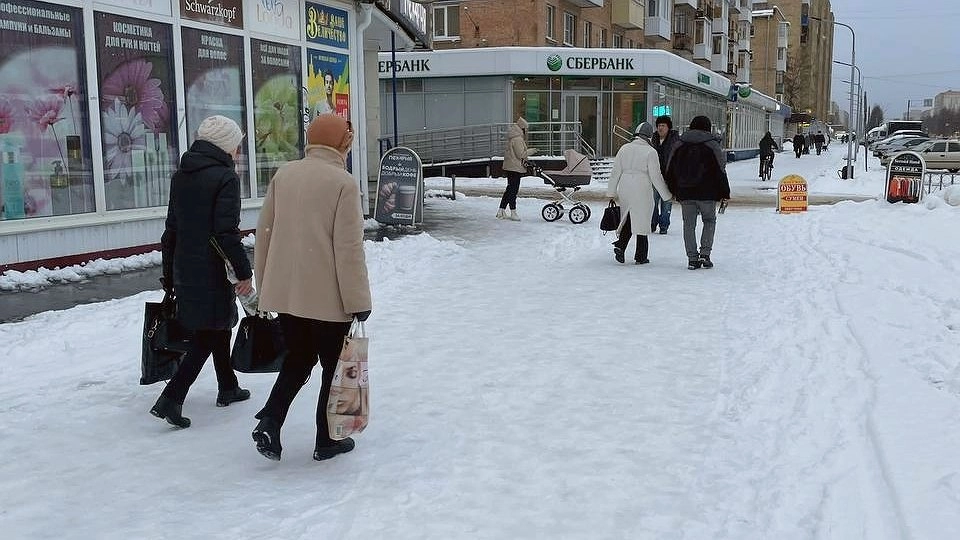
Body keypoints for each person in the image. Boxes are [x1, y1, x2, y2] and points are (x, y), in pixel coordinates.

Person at [251, 113, 372, 462]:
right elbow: (348, 250)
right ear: (342, 143)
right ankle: (327, 439)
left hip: (289, 295)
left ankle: (271, 421)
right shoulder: (342, 183)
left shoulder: (284, 174)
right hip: (329, 298)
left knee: (298, 359)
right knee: (333, 370)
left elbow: (265, 234)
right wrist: (358, 300)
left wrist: (266, 285)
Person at [151, 115, 253, 429]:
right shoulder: (225, 178)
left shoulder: (181, 175)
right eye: (237, 144)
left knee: (217, 325)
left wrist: (169, 274)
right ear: (225, 145)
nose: (238, 151)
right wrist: (243, 272)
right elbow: (225, 233)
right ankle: (171, 397)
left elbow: (172, 231)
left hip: (186, 265)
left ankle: (228, 386)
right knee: (210, 332)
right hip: (213, 268)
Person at [665, 115, 730, 270]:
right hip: (708, 192)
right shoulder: (713, 145)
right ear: (708, 128)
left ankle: (692, 259)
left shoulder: (679, 144)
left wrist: (673, 189)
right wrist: (724, 192)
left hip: (685, 192)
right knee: (709, 221)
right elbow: (721, 170)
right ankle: (705, 254)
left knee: (688, 225)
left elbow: (670, 169)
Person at [606, 121, 673, 265]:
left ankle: (625, 247)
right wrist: (666, 196)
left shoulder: (624, 148)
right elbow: (656, 176)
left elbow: (615, 172)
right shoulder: (650, 152)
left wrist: (611, 192)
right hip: (642, 187)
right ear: (648, 136)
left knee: (630, 216)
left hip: (625, 185)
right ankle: (639, 255)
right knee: (642, 219)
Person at [497, 117, 537, 221]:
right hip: (514, 168)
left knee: (509, 189)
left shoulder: (514, 137)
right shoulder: (517, 139)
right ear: (522, 128)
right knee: (513, 190)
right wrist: (531, 151)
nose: (527, 131)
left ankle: (501, 210)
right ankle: (513, 212)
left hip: (511, 167)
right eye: (526, 129)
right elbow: (521, 155)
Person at [650, 115, 680, 234]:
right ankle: (653, 222)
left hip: (669, 177)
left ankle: (664, 225)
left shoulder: (675, 141)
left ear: (668, 127)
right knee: (652, 201)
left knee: (666, 202)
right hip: (655, 176)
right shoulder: (653, 140)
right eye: (659, 126)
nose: (660, 128)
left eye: (663, 125)